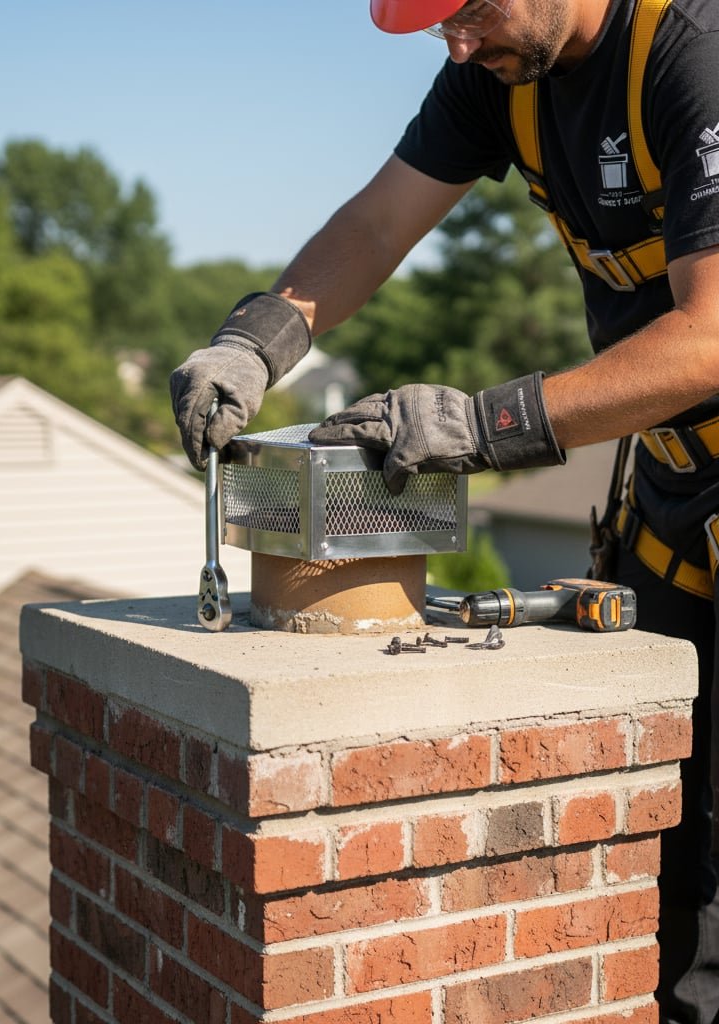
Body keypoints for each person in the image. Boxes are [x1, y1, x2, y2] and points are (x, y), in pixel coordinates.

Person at [169, 0, 719, 1020]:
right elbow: (378, 222)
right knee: (666, 871)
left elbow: (709, 340)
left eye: (464, 12)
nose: (454, 44)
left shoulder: (691, 59)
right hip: (680, 497)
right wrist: (252, 342)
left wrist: (480, 424)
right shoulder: (501, 72)